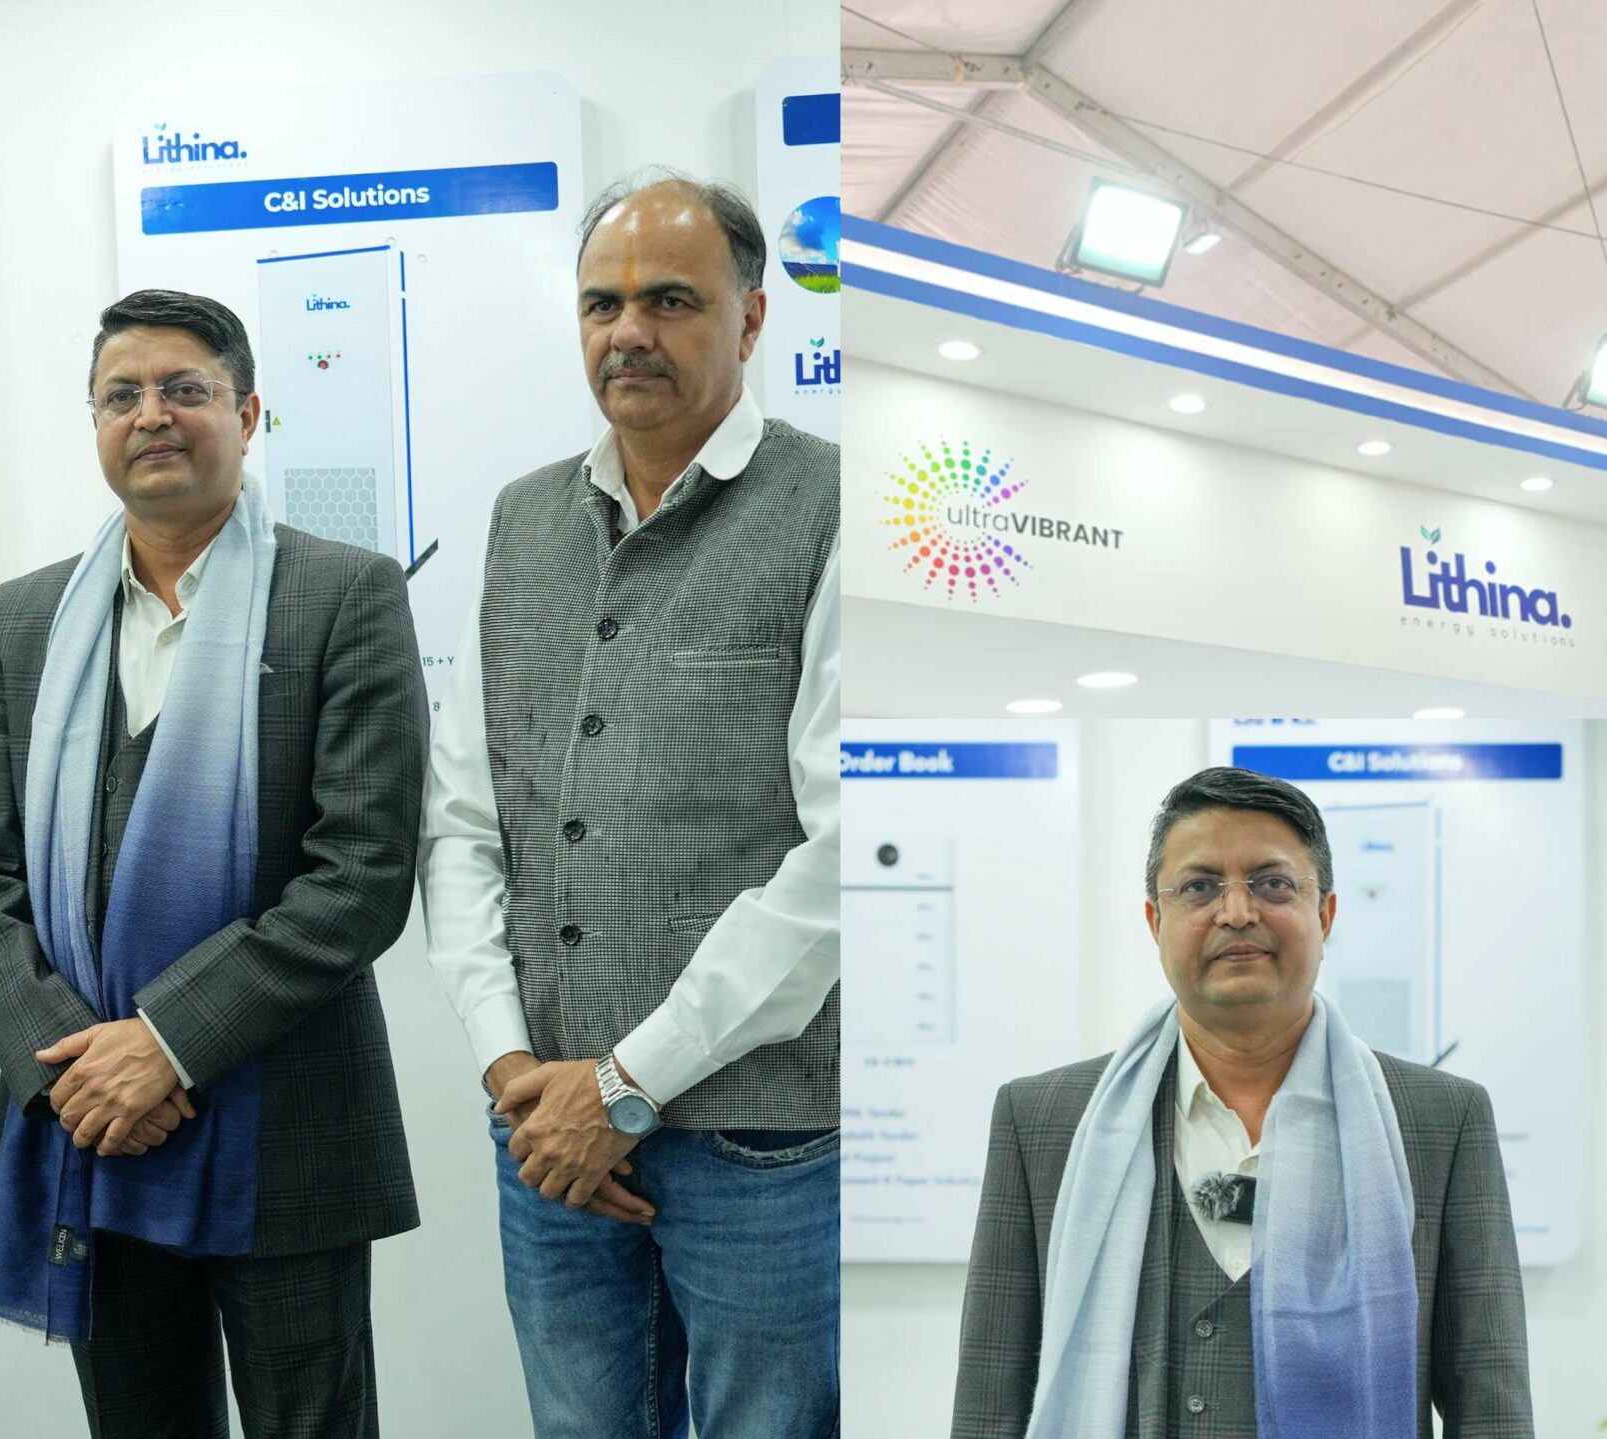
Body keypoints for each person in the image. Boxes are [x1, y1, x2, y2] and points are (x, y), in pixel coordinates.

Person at [0, 289, 425, 1438]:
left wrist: (161, 1041)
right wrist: (70, 1066)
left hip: (282, 1125)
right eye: (122, 395)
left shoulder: (343, 595)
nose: (150, 414)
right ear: (96, 424)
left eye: (184, 389)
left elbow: (359, 875)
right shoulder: (24, 619)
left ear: (247, 413)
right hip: (93, 1126)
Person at [419, 169, 841, 1438]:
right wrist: (514, 1070)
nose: (628, 332)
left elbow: (842, 854)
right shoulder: (522, 518)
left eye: (670, 300)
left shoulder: (829, 506)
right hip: (542, 1128)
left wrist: (624, 1082)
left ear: (751, 317)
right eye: (602, 304)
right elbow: (466, 819)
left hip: (758, 1138)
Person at [952, 766, 1534, 1438]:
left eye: (1272, 883)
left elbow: (1490, 1403)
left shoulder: (1440, 1120)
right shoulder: (1044, 1120)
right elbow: (990, 1398)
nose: (1236, 912)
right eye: (1200, 886)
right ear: (1155, 920)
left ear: (1325, 915)